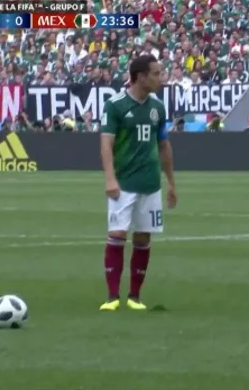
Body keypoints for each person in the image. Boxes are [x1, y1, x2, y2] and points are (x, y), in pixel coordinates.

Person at [99, 55, 178, 312]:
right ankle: (112, 297)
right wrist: (110, 178)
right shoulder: (116, 105)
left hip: (150, 182)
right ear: (140, 76)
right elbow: (106, 144)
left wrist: (171, 183)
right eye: (156, 74)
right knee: (117, 234)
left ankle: (135, 296)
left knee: (143, 237)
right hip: (123, 182)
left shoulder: (158, 107)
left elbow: (164, 145)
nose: (160, 78)